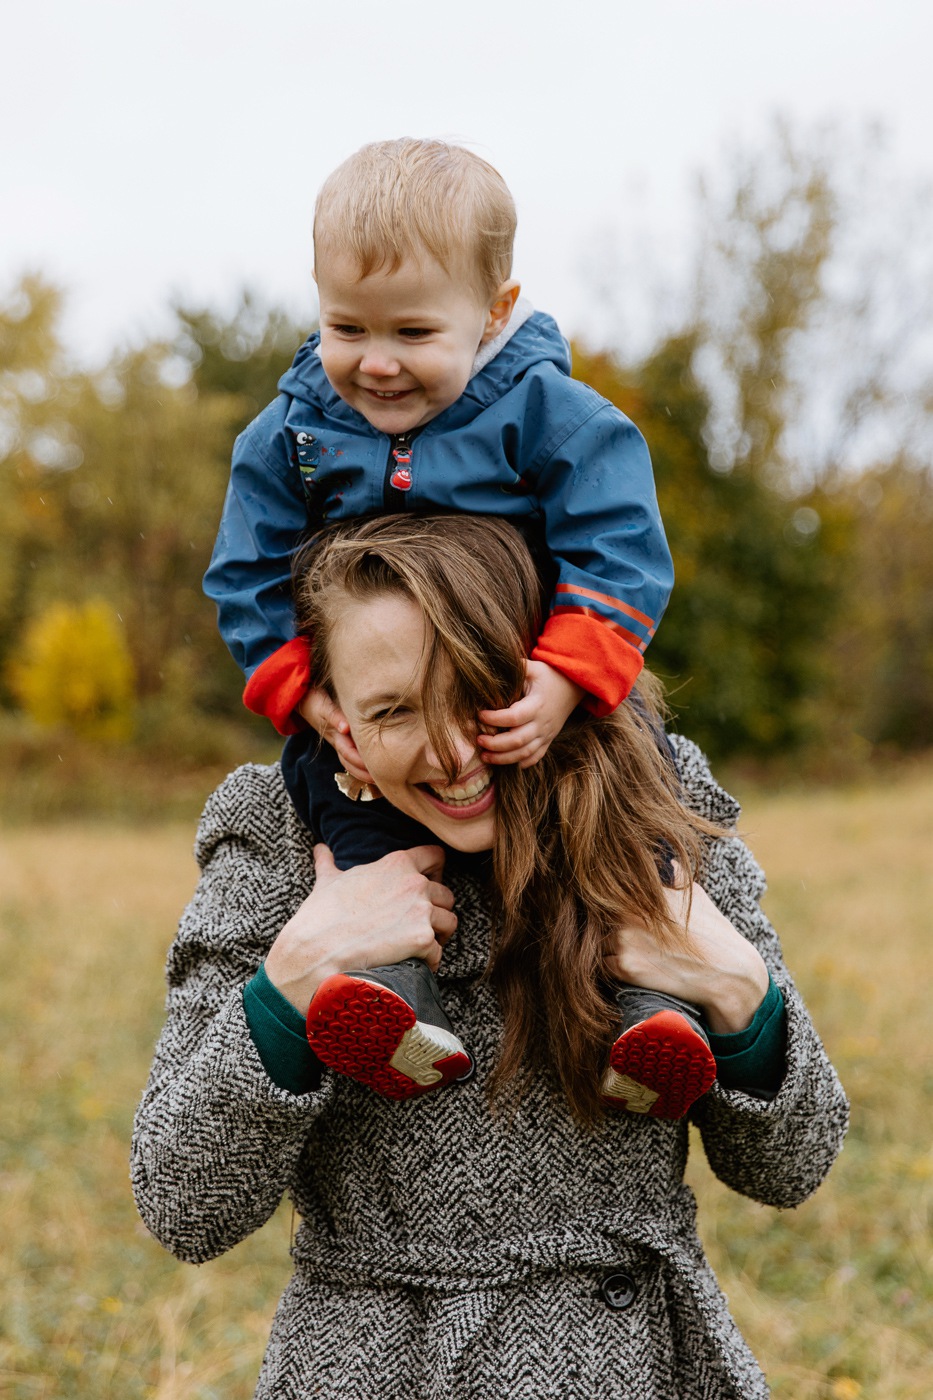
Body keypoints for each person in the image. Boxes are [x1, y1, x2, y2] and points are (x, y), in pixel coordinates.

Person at [133, 514, 848, 1400]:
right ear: (336, 722)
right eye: (393, 710)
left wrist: (735, 986)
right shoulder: (280, 839)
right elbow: (181, 1204)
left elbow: (792, 1166)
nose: (453, 753)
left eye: (475, 691)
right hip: (379, 1369)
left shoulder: (650, 802)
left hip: (637, 1361)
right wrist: (293, 977)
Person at [203, 137, 710, 1113]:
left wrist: (565, 679)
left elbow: (619, 542)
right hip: (370, 711)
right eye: (346, 326)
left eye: (415, 331)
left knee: (625, 780)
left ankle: (654, 1003)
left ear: (496, 312)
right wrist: (309, 697)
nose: (378, 362)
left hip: (533, 685)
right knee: (340, 803)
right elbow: (246, 569)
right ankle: (386, 997)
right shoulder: (295, 431)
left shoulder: (546, 411)